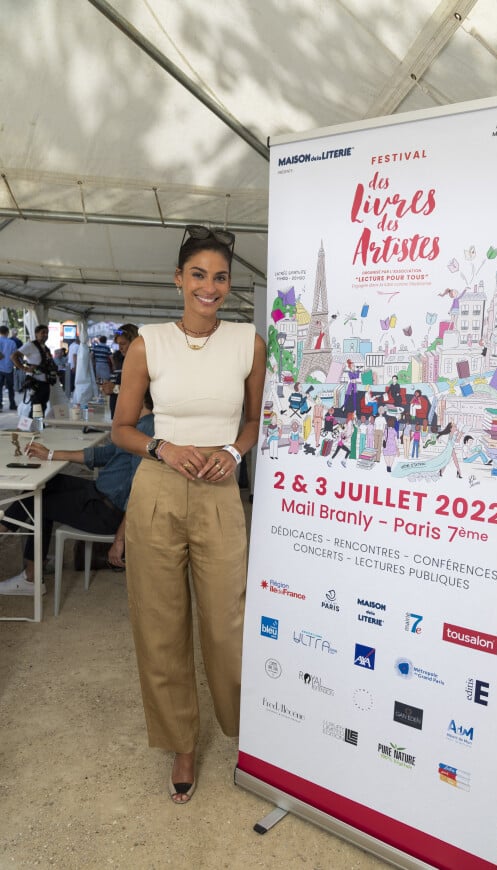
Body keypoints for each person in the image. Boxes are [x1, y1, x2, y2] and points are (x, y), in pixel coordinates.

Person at [111, 225, 266, 804]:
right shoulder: (147, 343)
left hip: (219, 491)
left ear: (230, 284)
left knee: (226, 621)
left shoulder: (248, 342)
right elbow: (122, 428)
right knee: (160, 622)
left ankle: (245, 730)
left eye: (220, 277)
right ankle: (181, 742)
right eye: (198, 274)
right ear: (178, 279)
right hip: (158, 487)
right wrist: (163, 446)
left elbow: (254, 421)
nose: (209, 286)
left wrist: (231, 452)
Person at [0, 392, 154, 595]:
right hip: (97, 493)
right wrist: (51, 454)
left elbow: (139, 491)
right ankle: (32, 562)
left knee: (37, 503)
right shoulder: (137, 425)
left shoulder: (146, 430)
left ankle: (30, 577)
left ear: (138, 399)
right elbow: (102, 454)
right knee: (44, 486)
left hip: (106, 511)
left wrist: (119, 540)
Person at [11, 324, 58, 416]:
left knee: (43, 405)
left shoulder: (46, 348)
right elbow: (13, 356)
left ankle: (39, 425)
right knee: (36, 406)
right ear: (36, 334)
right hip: (35, 380)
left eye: (47, 333)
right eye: (42, 332)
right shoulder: (30, 345)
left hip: (46, 381)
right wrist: (24, 368)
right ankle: (34, 426)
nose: (45, 335)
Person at [100, 324, 139, 418]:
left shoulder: (141, 363)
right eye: (118, 344)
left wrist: (115, 388)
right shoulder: (126, 360)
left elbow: (141, 392)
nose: (120, 348)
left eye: (123, 344)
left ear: (134, 342)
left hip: (131, 419)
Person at [0, 324, 18, 411]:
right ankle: (12, 404)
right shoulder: (12, 342)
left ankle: (0, 406)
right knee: (10, 387)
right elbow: (15, 356)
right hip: (9, 368)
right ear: (7, 332)